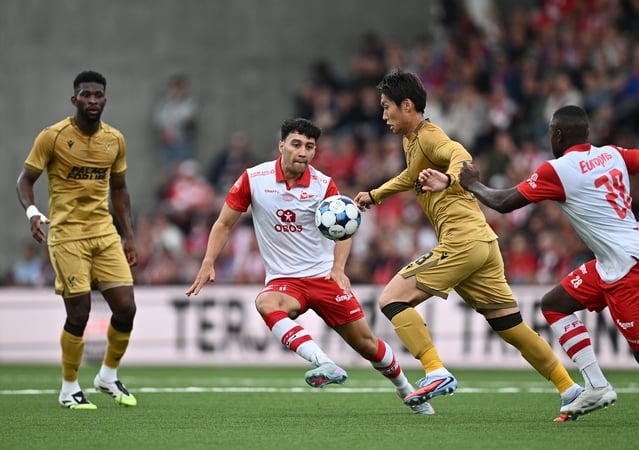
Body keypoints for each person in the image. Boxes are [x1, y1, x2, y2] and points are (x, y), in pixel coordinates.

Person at [429, 104, 639, 427]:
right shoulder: (611, 154)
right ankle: (597, 386)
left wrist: (471, 182)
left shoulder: (557, 170)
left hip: (632, 266)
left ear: (558, 135)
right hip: (617, 261)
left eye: (550, 133)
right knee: (554, 304)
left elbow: (502, 202)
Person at [353, 70, 584, 422]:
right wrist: (375, 195)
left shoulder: (429, 136)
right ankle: (570, 389)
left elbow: (459, 153)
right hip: (483, 242)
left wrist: (448, 177)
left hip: (462, 241)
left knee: (391, 299)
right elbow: (409, 175)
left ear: (408, 105)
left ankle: (434, 370)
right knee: (511, 326)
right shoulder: (411, 141)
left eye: (387, 108)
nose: (383, 116)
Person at [185, 118, 434, 415]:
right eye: (296, 144)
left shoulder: (323, 185)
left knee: (367, 345)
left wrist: (339, 268)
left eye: (310, 146)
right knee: (266, 302)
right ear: (281, 146)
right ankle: (324, 362)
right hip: (285, 281)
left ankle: (407, 389)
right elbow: (224, 222)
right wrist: (208, 260)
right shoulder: (254, 178)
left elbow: (345, 228)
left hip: (324, 277)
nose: (303, 152)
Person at [16, 70, 138, 410]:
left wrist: (129, 236)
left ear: (105, 99)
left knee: (126, 308)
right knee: (80, 312)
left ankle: (107, 376)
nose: (93, 100)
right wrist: (32, 213)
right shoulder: (52, 137)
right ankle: (69, 387)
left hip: (104, 233)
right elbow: (25, 180)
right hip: (67, 235)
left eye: (98, 95)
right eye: (86, 95)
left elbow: (120, 188)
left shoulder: (115, 139)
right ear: (75, 100)